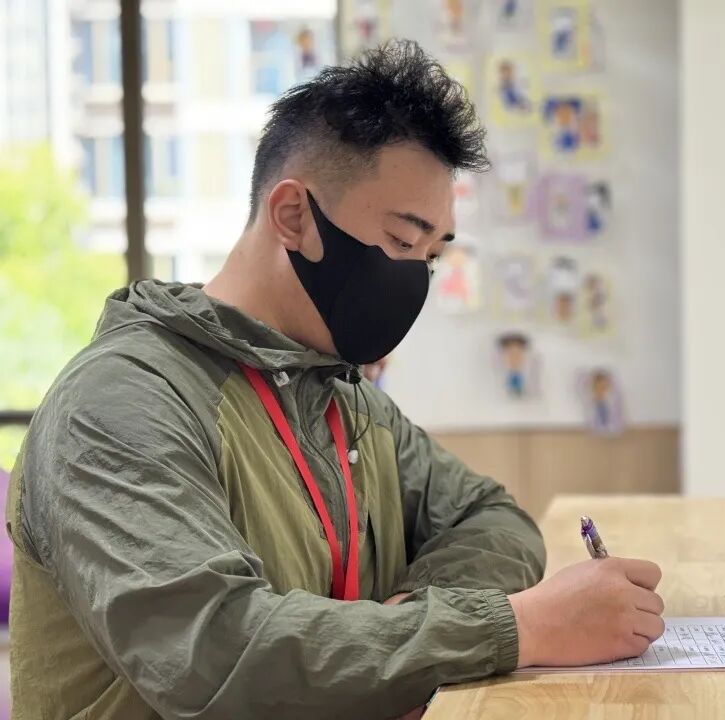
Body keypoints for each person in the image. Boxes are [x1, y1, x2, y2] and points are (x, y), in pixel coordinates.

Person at [5, 41, 664, 720]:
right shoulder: (121, 404)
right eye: (402, 242)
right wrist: (516, 628)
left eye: (431, 256)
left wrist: (416, 619)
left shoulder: (340, 398)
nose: (414, 278)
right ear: (294, 217)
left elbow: (491, 517)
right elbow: (216, 654)